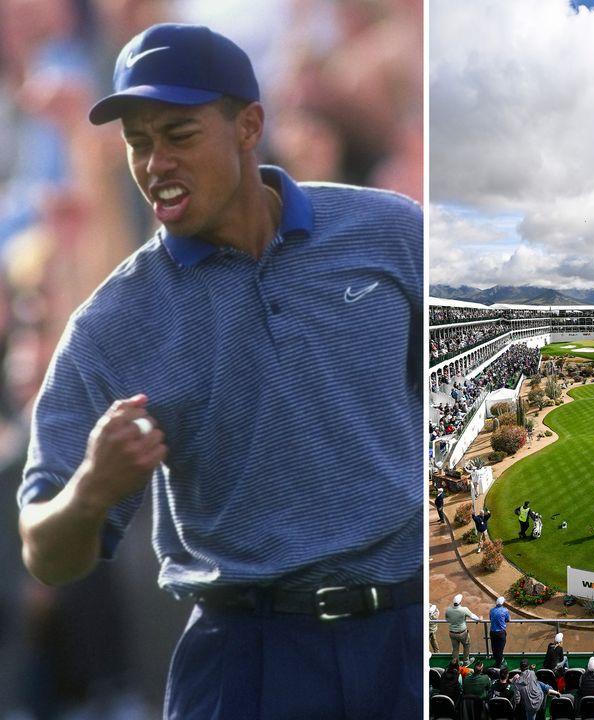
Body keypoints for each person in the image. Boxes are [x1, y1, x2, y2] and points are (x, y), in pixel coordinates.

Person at [15, 22, 425, 719]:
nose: (154, 163)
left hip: (411, 641)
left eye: (178, 135)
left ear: (248, 126)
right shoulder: (112, 324)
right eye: (138, 142)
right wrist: (89, 492)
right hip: (249, 663)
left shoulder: (390, 231)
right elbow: (43, 549)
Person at [447, 594, 482, 665]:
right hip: (462, 633)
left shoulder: (448, 610)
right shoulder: (464, 609)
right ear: (460, 602)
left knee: (455, 649)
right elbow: (472, 616)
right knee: (466, 645)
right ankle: (466, 661)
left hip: (452, 633)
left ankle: (456, 663)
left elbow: (447, 618)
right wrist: (479, 619)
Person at [490, 596, 511, 669]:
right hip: (501, 633)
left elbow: (490, 619)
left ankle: (498, 662)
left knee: (494, 649)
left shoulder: (492, 610)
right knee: (500, 650)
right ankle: (499, 664)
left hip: (492, 633)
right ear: (502, 603)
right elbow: (508, 619)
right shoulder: (505, 610)